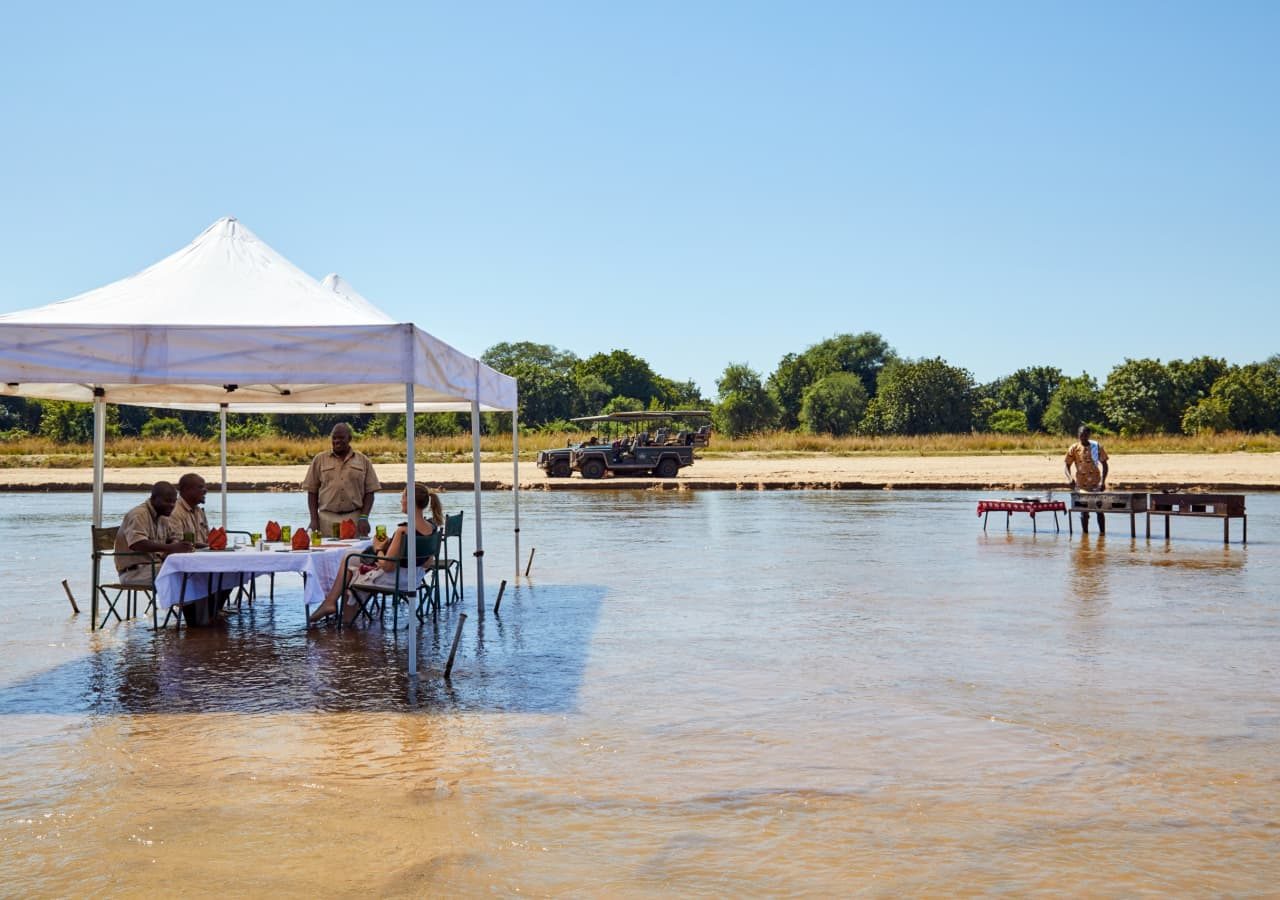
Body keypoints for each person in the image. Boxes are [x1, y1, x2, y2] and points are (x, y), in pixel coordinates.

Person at [308, 483, 443, 626]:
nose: (400, 501)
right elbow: (428, 563)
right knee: (352, 556)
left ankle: (344, 624)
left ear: (409, 501)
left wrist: (379, 548)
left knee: (350, 566)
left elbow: (387, 567)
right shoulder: (432, 528)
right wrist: (390, 546)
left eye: (402, 497)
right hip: (414, 578)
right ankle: (340, 614)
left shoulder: (403, 530)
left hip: (396, 581)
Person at [167, 472, 232, 621]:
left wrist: (217, 543)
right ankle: (198, 618)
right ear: (186, 490)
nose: (205, 490)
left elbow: (208, 537)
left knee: (231, 571)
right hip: (187, 561)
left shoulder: (198, 511)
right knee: (209, 575)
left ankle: (213, 611)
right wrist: (209, 546)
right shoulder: (175, 512)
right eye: (201, 487)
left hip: (204, 557)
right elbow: (177, 541)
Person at [302, 422, 380, 538]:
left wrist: (364, 518)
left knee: (354, 555)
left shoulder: (363, 460)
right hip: (326, 520)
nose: (337, 441)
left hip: (354, 520)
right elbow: (312, 491)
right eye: (334, 438)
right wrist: (314, 520)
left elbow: (370, 491)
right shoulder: (319, 459)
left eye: (341, 438)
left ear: (349, 438)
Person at [115, 481, 194, 593]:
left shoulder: (163, 516)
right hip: (134, 573)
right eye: (167, 501)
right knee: (186, 575)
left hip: (156, 567)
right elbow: (137, 544)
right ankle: (192, 610)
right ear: (153, 499)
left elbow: (172, 537)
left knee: (198, 573)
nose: (171, 505)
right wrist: (171, 548)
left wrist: (176, 543)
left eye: (174, 502)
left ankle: (208, 610)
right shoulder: (139, 515)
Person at [1065, 424, 1110, 534]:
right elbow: (1067, 466)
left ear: (1089, 435)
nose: (1083, 437)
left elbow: (1105, 465)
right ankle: (1085, 537)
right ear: (1078, 435)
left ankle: (1102, 535)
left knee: (1099, 510)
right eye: (1081, 435)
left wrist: (1103, 482)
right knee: (1084, 512)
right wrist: (1070, 478)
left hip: (1096, 484)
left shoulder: (1096, 446)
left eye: (1085, 435)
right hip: (1081, 485)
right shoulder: (1074, 448)